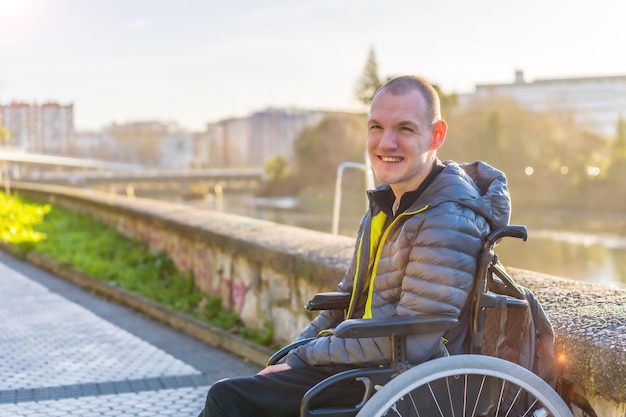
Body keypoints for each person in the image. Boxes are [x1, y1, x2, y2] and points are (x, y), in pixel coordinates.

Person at [196, 74, 511, 417]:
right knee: (248, 389)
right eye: (376, 127)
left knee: (228, 399)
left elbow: (418, 341)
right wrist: (294, 354)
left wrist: (306, 357)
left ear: (436, 135)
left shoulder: (448, 218)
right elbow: (347, 300)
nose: (385, 143)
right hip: (369, 364)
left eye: (404, 129)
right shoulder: (386, 206)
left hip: (404, 382)